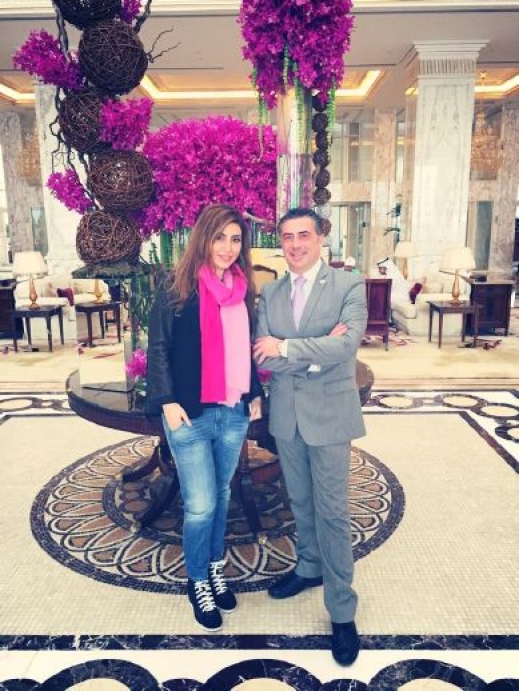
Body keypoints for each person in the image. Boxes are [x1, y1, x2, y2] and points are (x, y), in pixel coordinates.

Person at [253, 207, 367, 666]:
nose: (295, 244)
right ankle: (309, 566)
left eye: (304, 235)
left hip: (331, 415)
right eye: (287, 236)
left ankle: (342, 610)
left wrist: (287, 347)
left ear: (321, 238)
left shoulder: (348, 285)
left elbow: (347, 345)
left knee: (332, 512)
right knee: (299, 502)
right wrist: (318, 354)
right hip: (287, 416)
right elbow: (264, 356)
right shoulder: (270, 292)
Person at [146, 203, 263, 632]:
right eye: (219, 238)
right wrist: (166, 400)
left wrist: (254, 392)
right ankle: (197, 580)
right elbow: (158, 347)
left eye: (235, 239)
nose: (227, 248)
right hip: (189, 414)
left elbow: (243, 346)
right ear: (203, 239)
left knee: (223, 494)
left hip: (233, 411)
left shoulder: (242, 288)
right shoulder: (176, 286)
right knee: (200, 505)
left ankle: (215, 567)